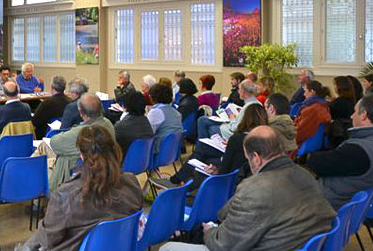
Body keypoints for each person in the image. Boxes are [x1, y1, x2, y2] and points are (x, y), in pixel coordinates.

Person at [159, 126, 336, 251]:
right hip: (297, 243)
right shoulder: (306, 175)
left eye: (248, 158)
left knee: (168, 247)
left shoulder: (254, 189)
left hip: (270, 244)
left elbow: (224, 245)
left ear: (257, 158)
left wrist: (210, 232)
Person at [19, 125, 142, 251]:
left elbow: (46, 239)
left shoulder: (64, 195)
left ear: (82, 156)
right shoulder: (132, 182)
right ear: (113, 149)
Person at [153, 104, 268, 190]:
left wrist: (215, 170)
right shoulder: (265, 138)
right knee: (203, 156)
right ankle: (178, 182)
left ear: (245, 118)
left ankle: (177, 183)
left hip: (227, 178)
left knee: (201, 157)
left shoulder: (238, 139)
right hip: (237, 177)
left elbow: (225, 169)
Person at [307, 95, 373, 210]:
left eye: (355, 111)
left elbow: (316, 163)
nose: (352, 116)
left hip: (325, 206)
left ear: (364, 115)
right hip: (348, 207)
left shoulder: (359, 150)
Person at [49, 93, 115, 191]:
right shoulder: (108, 124)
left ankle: (35, 200)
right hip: (105, 171)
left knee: (42, 159)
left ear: (81, 112)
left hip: (79, 172)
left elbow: (54, 143)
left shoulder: (83, 132)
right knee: (44, 149)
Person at [147, 83, 183, 153]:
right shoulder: (176, 112)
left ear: (153, 97)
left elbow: (148, 133)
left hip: (158, 150)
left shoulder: (156, 112)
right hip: (172, 151)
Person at [294, 80, 331, 146]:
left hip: (302, 144)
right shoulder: (323, 106)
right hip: (314, 144)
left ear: (312, 92)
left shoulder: (311, 109)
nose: (304, 94)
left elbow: (299, 133)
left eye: (305, 91)